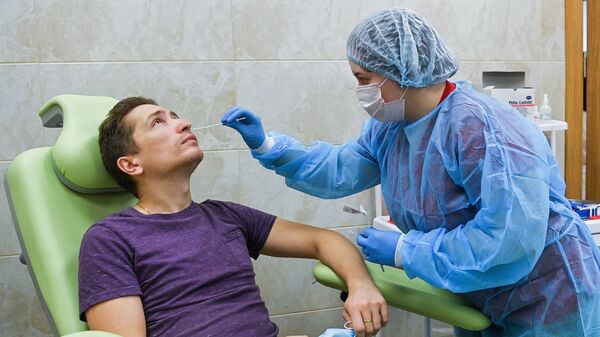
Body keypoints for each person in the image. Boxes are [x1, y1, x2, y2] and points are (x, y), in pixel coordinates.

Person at [221, 8, 600, 337]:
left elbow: (508, 239)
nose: (360, 90)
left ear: (400, 72)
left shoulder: (481, 129)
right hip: (482, 294)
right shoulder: (392, 127)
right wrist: (269, 146)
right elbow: (339, 170)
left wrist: (406, 250)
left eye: (364, 78)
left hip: (549, 294)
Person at [78, 97, 388, 337]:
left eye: (175, 116)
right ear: (131, 165)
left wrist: (360, 285)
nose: (183, 123)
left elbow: (325, 240)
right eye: (158, 123)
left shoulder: (225, 216)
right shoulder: (109, 238)